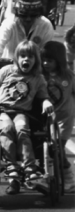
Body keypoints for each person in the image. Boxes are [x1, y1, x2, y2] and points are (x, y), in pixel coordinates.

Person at [0, 40, 54, 195]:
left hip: (21, 112)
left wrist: (46, 102)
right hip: (2, 110)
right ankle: (12, 168)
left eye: (30, 57)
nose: (26, 60)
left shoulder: (38, 78)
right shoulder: (7, 70)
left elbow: (44, 96)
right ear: (16, 57)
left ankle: (30, 170)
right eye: (22, 56)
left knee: (22, 129)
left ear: (35, 60)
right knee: (7, 128)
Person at [0, 0, 54, 74]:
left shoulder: (46, 25)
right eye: (23, 14)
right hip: (8, 71)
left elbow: (47, 53)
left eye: (33, 15)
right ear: (16, 12)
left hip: (35, 73)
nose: (28, 19)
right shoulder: (10, 22)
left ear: (40, 13)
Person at [40, 41, 75, 193]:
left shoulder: (68, 76)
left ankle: (67, 179)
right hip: (46, 118)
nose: (46, 63)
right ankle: (55, 177)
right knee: (48, 148)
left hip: (64, 118)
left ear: (59, 61)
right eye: (44, 60)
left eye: (50, 60)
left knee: (57, 147)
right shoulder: (41, 76)